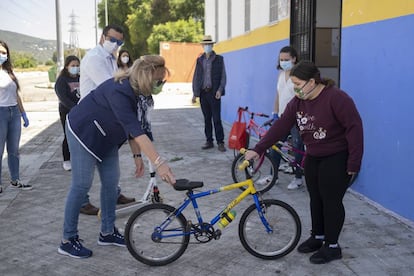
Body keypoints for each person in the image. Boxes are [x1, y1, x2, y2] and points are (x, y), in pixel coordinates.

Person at [244, 60, 363, 264]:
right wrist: (258, 148)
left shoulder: (336, 98)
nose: (295, 89)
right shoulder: (298, 102)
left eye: (298, 84)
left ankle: (332, 246)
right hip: (314, 157)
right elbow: (281, 126)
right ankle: (318, 237)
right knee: (315, 199)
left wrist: (354, 163)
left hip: (336, 157)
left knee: (331, 202)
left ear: (312, 81)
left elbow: (355, 129)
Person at [58, 55, 176, 259]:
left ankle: (107, 232)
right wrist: (160, 163)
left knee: (111, 183)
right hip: (83, 132)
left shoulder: (141, 93)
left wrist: (137, 155)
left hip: (107, 137)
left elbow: (137, 126)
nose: (159, 85)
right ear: (147, 76)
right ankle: (68, 240)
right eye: (158, 80)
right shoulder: (120, 90)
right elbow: (135, 130)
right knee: (82, 184)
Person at [80, 24, 135, 206]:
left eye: (119, 42)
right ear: (103, 37)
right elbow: (109, 87)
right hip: (90, 119)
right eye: (112, 40)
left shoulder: (111, 58)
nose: (115, 44)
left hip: (104, 118)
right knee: (87, 166)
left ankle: (114, 193)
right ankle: (82, 201)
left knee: (109, 164)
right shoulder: (94, 58)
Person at [270, 46, 305, 189]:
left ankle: (298, 178)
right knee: (274, 146)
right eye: (281, 59)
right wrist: (275, 113)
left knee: (298, 147)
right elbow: (278, 95)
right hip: (282, 118)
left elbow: (302, 98)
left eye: (286, 59)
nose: (283, 62)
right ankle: (273, 176)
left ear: (294, 59)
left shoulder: (299, 76)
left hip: (296, 119)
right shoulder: (281, 75)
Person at [0, 40, 32, 194]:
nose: (1, 55)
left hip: (14, 113)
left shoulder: (9, 72)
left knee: (14, 149)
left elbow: (16, 94)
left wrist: (23, 113)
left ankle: (15, 179)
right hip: (1, 113)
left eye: (4, 52)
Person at [192, 35, 227, 152]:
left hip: (214, 93)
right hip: (203, 93)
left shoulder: (219, 59)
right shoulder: (200, 60)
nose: (207, 46)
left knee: (216, 118)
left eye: (209, 44)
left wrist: (220, 90)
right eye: (205, 44)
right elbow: (196, 76)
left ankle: (220, 142)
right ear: (202, 46)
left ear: (212, 45)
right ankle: (209, 141)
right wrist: (195, 93)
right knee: (207, 118)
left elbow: (223, 76)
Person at [54, 55, 81, 171]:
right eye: (73, 66)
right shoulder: (62, 80)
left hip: (81, 110)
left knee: (81, 135)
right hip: (67, 111)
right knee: (68, 134)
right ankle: (67, 160)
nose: (75, 68)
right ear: (67, 66)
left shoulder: (81, 78)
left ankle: (79, 159)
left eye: (77, 66)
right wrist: (74, 108)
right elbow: (62, 97)